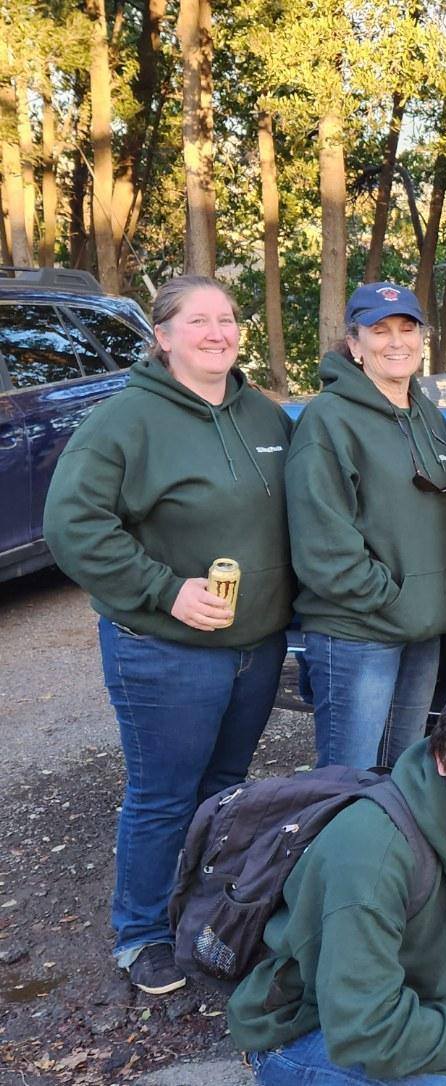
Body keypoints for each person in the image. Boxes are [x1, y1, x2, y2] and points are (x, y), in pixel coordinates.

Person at [42, 275, 293, 995]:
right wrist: (166, 590)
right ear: (164, 336)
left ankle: (206, 913)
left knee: (224, 790)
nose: (219, 332)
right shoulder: (125, 422)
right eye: (200, 321)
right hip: (164, 652)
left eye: (228, 319)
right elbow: (74, 525)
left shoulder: (263, 417)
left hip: (255, 647)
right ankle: (142, 933)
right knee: (163, 794)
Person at [228, 673, 446, 1086]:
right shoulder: (373, 847)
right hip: (312, 1028)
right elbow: (364, 1028)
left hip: (423, 1010)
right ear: (444, 758)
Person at [286, 282, 446, 769]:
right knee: (348, 779)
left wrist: (429, 599)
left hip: (420, 627)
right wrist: (390, 596)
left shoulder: (427, 414)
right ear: (354, 344)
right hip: (358, 631)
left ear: (422, 338)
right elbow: (322, 539)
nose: (396, 341)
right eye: (379, 330)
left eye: (407, 329)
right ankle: (335, 848)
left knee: (400, 771)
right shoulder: (328, 419)